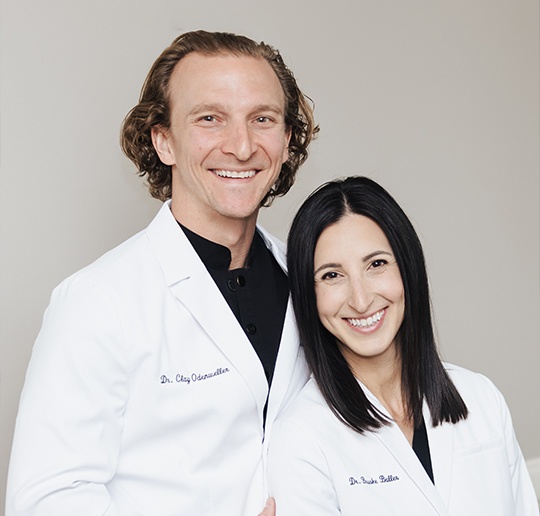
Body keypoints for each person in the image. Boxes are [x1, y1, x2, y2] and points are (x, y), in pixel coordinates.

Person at [6, 30, 318, 515]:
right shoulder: (97, 301)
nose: (241, 146)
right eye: (210, 118)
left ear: (285, 139)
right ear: (164, 140)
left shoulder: (312, 280)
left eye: (262, 119)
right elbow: (45, 501)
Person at [267, 176, 538, 515]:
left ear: (407, 268)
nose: (361, 299)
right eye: (332, 275)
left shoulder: (482, 400)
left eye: (376, 264)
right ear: (309, 294)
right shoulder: (300, 439)